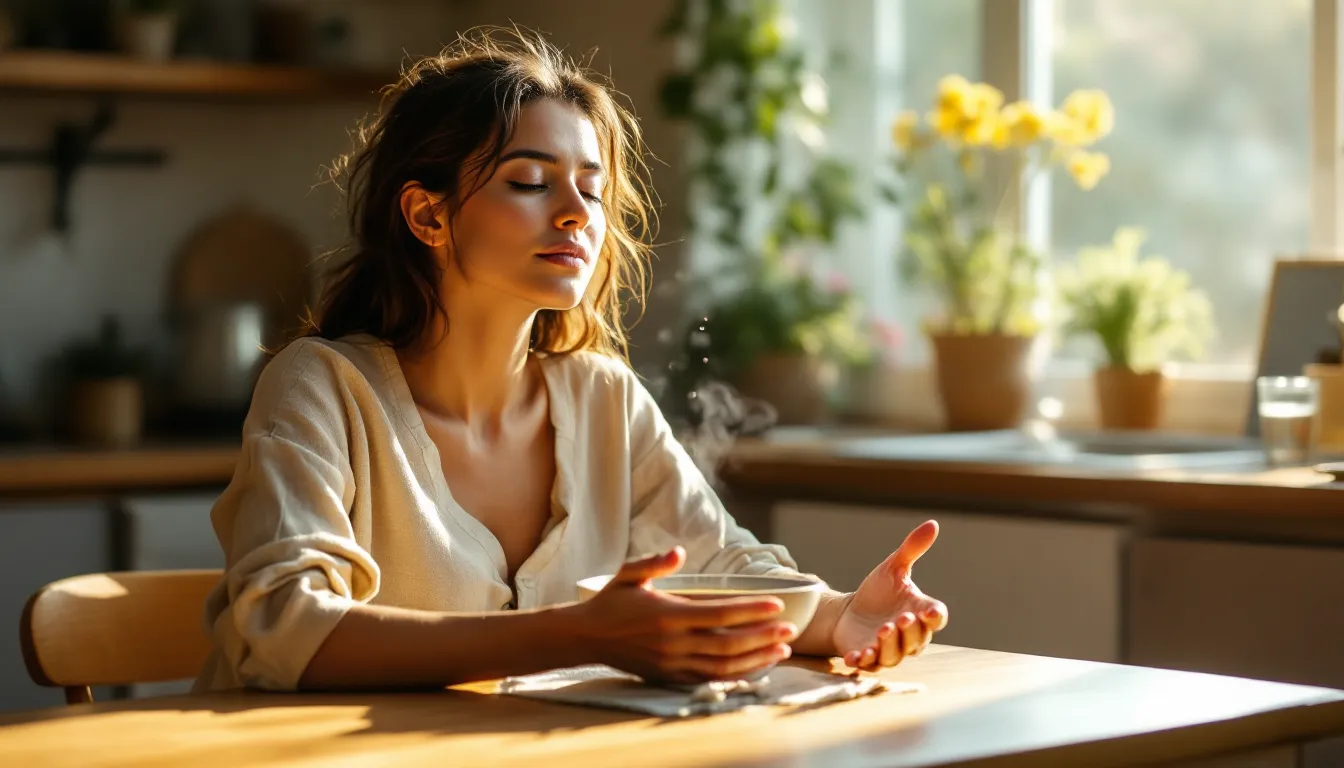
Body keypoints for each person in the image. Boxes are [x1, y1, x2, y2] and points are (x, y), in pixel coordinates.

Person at [194, 28, 948, 693]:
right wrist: (579, 633)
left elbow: (726, 569)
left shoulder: (602, 399)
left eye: (592, 189)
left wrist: (843, 615)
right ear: (427, 213)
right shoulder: (322, 388)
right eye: (529, 182)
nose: (576, 213)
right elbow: (281, 627)